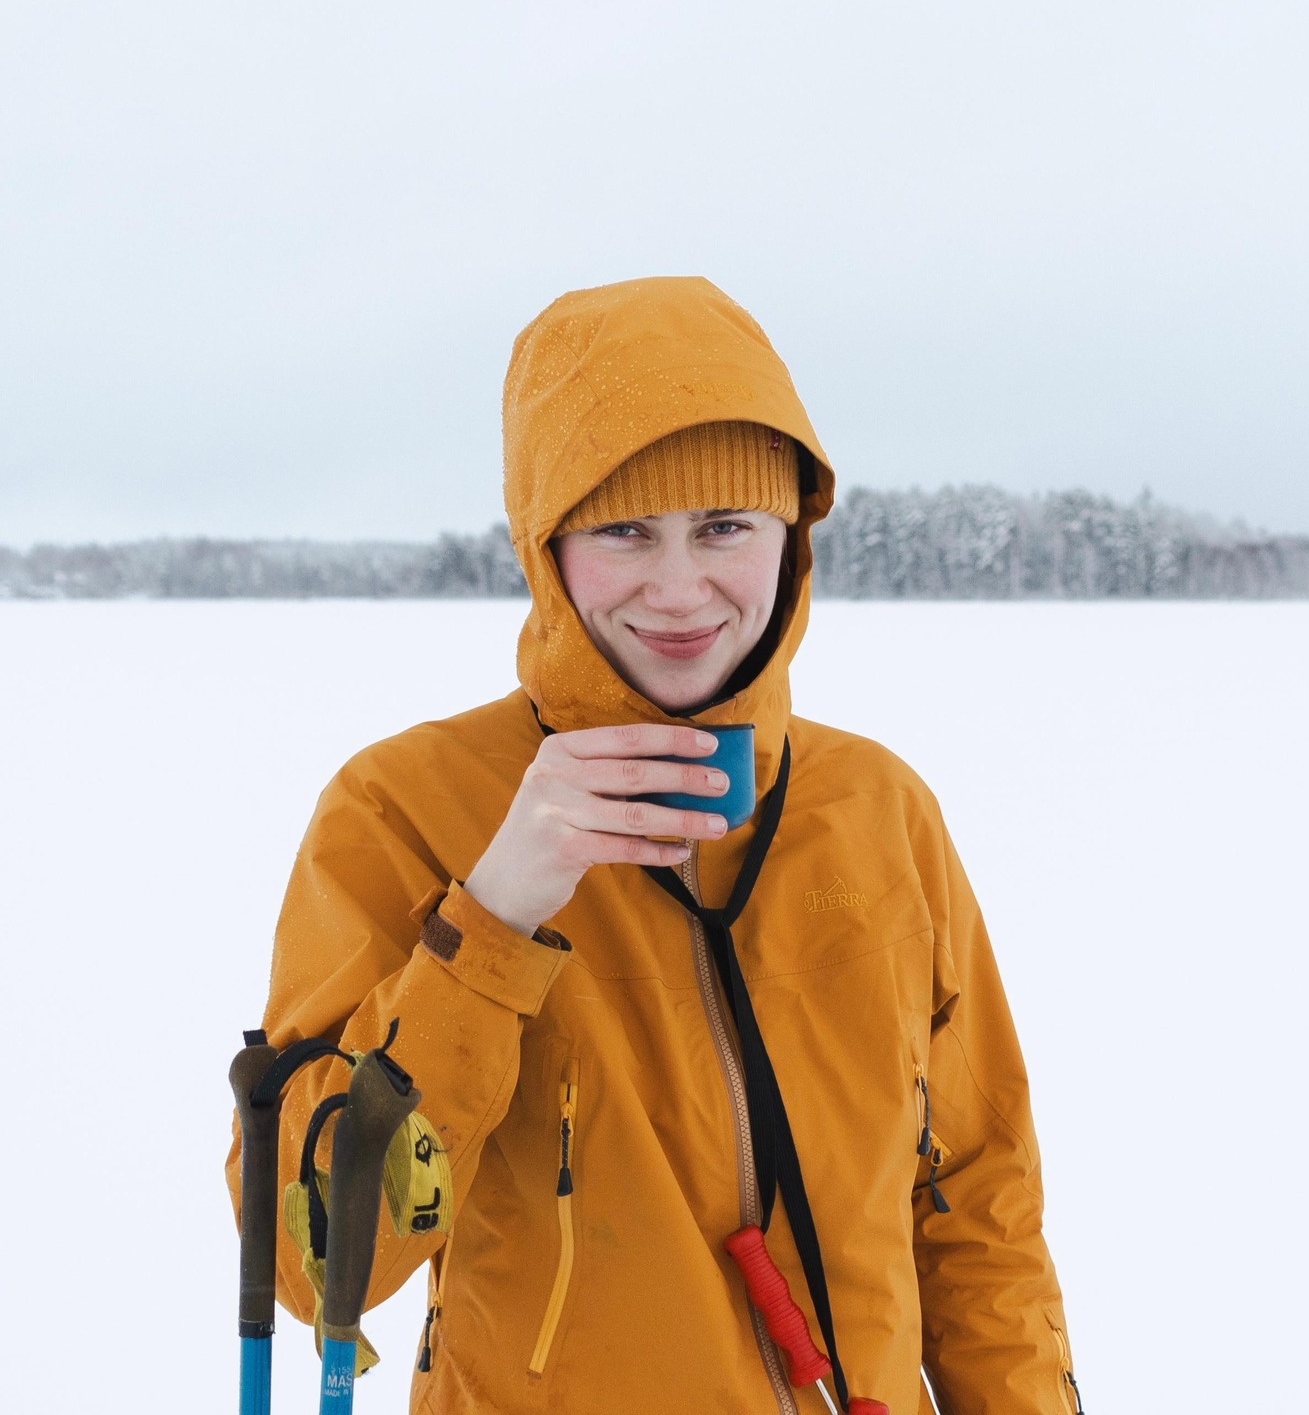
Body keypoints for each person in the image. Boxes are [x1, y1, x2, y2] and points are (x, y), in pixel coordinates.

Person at [227, 275, 1079, 1414]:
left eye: (725, 526)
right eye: (625, 530)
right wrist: (490, 922)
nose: (681, 591)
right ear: (546, 547)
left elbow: (979, 1211)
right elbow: (312, 1261)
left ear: (791, 539)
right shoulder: (403, 807)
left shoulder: (879, 808)